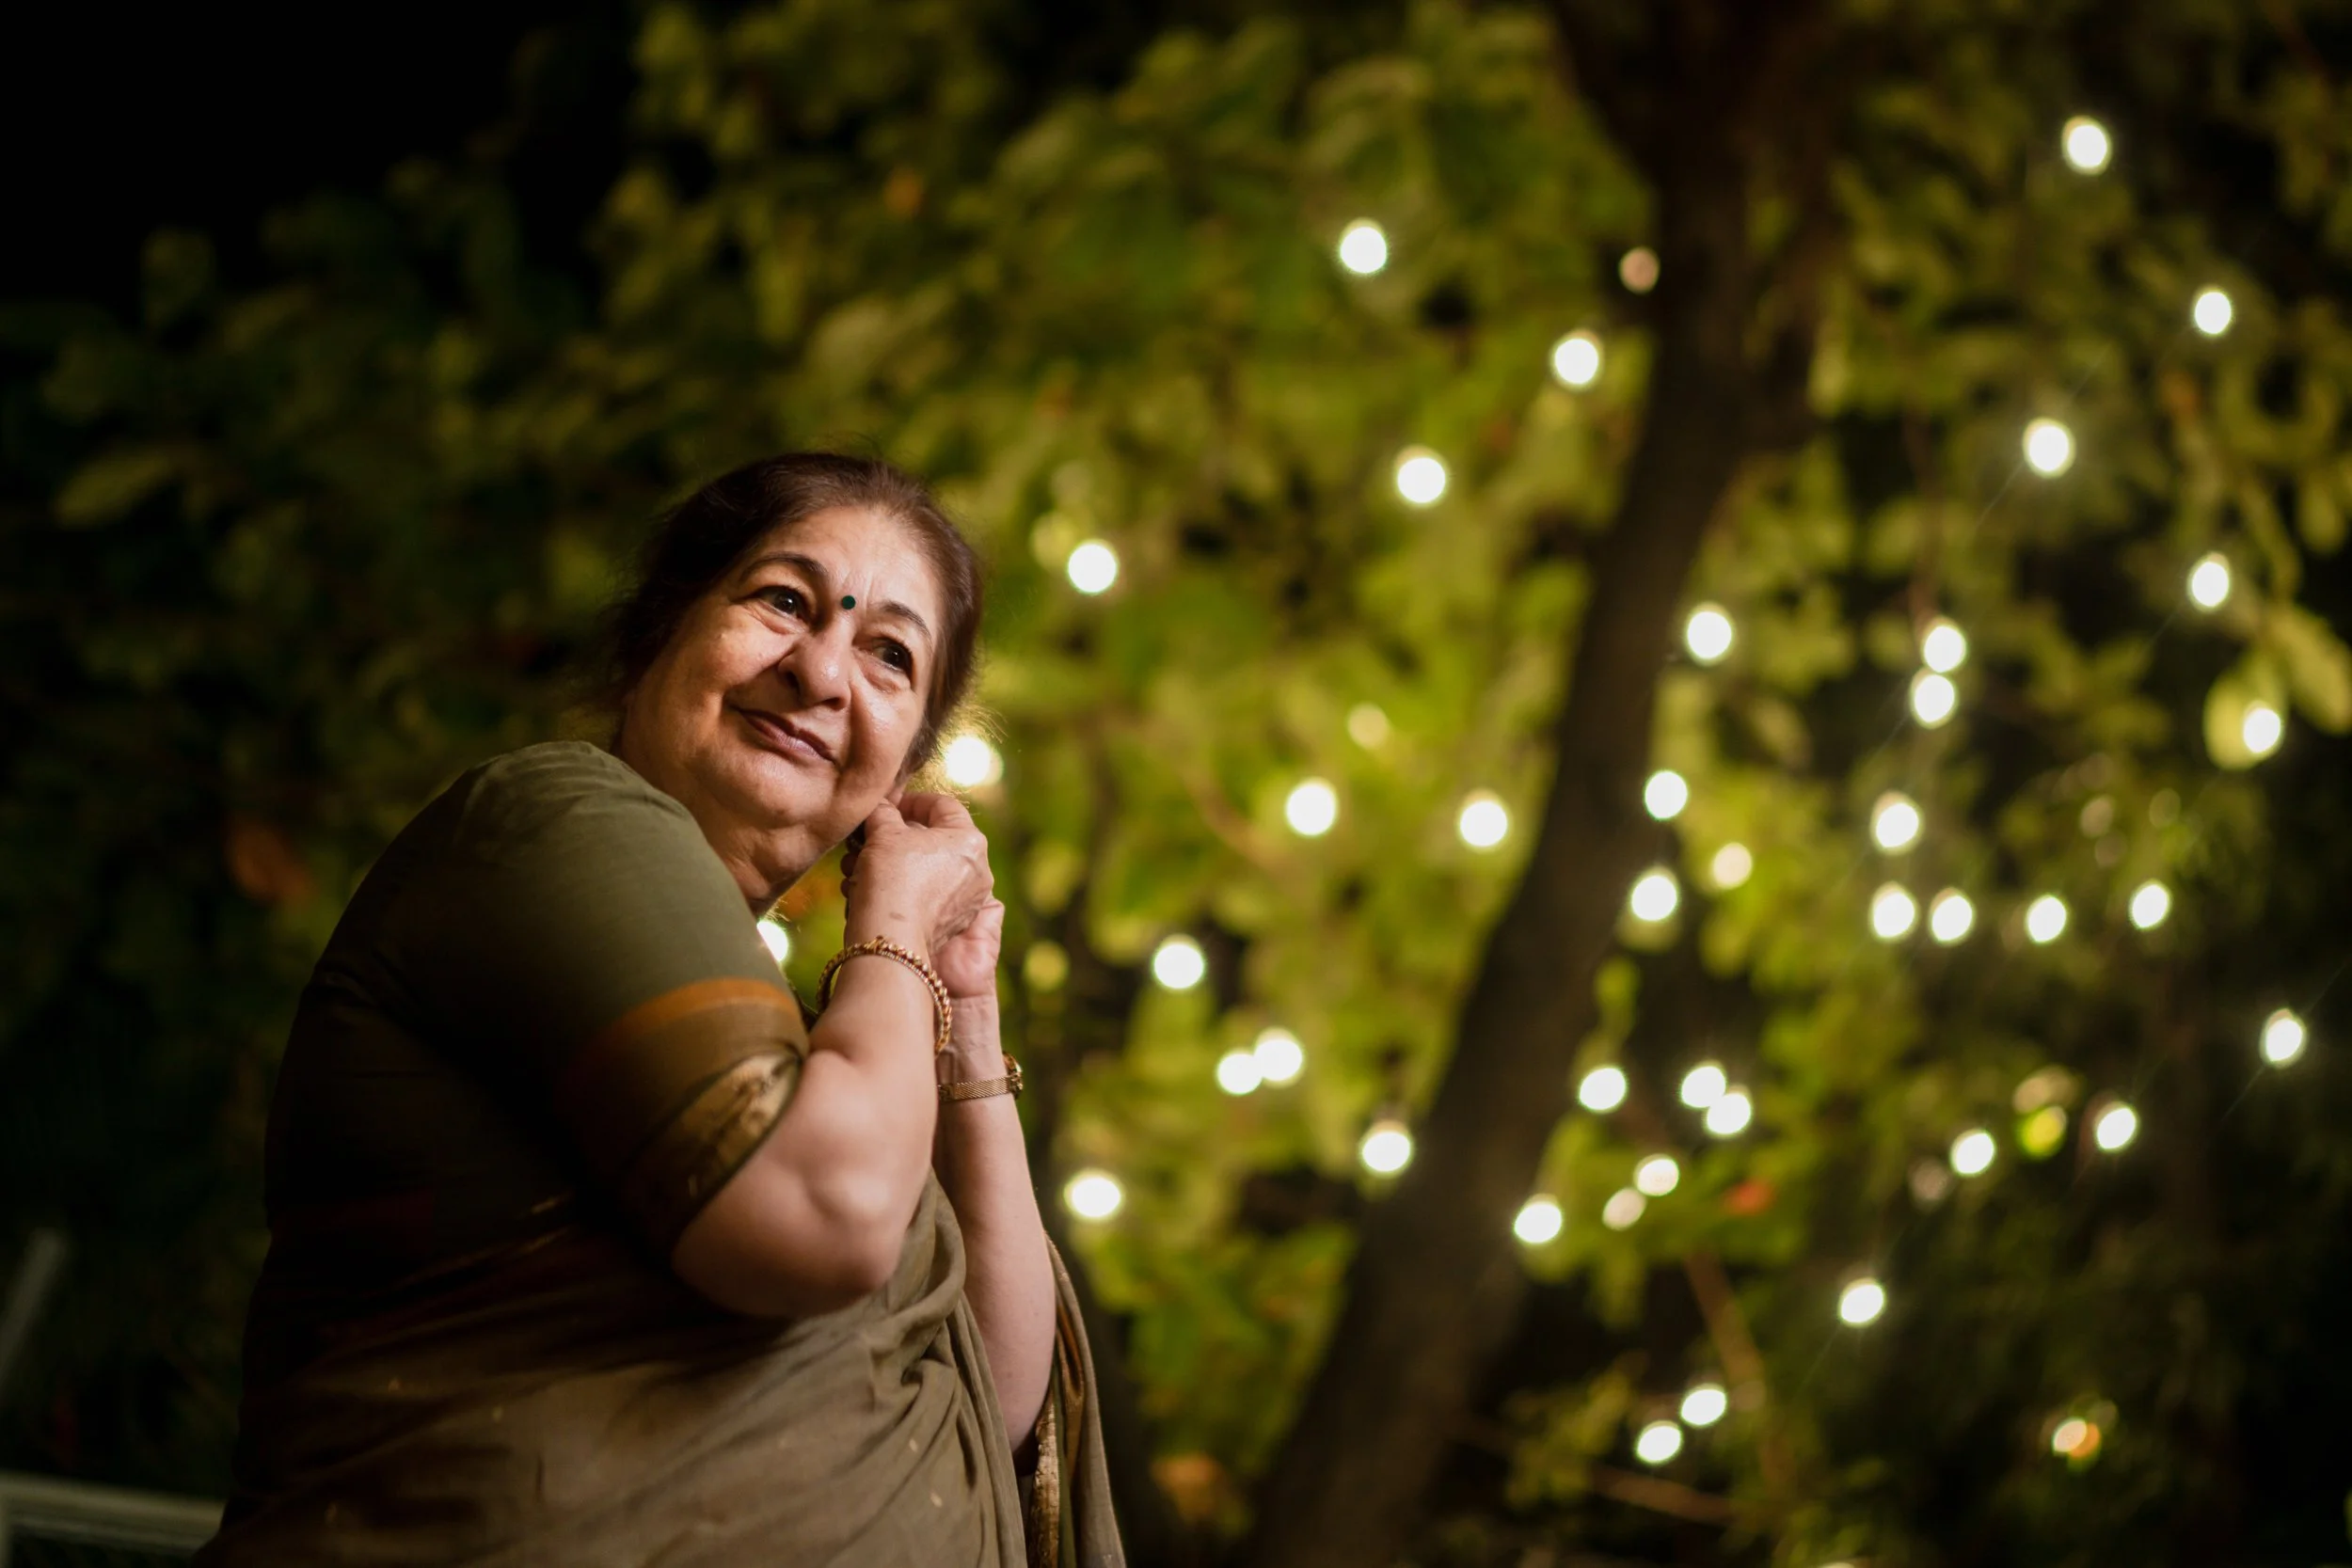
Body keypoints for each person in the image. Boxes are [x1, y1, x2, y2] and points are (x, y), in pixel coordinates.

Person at [197, 453, 1122, 1567]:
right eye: (783, 599)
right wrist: (888, 938)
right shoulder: (561, 819)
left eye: (889, 653)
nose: (823, 671)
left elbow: (991, 1394)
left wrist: (963, 1005)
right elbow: (818, 1218)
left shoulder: (819, 1056)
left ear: (904, 769)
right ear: (659, 630)